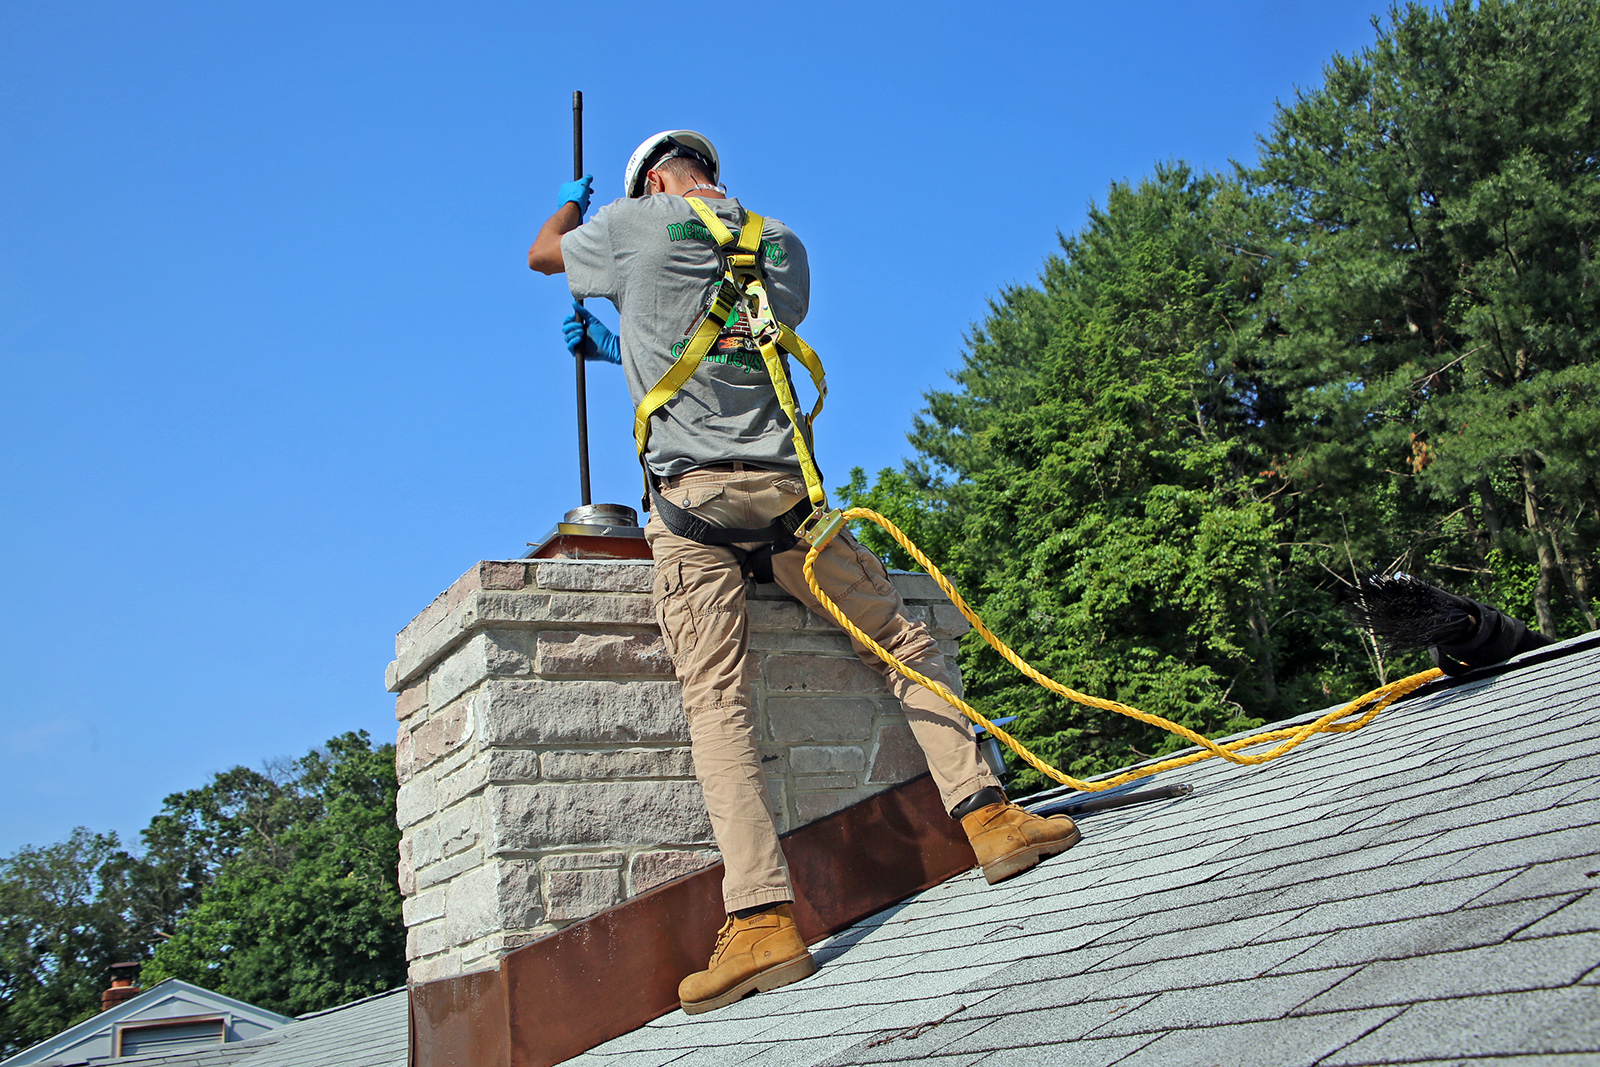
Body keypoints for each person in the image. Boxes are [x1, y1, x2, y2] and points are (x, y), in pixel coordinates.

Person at [528, 130, 1080, 1015]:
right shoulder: (780, 238)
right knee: (900, 638)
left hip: (691, 506)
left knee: (717, 700)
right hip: (789, 496)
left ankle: (761, 920)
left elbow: (541, 255)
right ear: (708, 173)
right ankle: (990, 819)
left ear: (652, 182)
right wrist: (623, 336)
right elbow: (729, 328)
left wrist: (574, 206)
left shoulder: (632, 222)